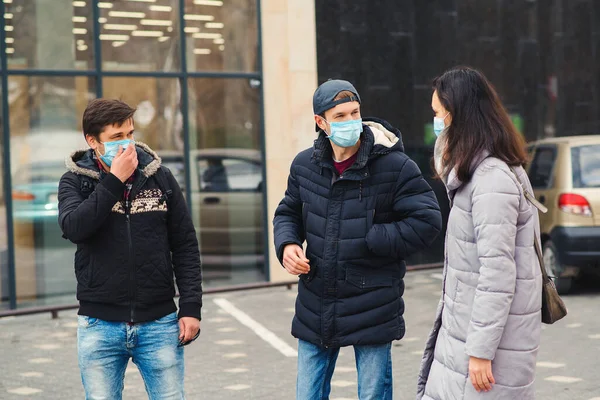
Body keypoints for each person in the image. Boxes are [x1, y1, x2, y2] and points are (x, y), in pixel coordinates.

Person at [273, 79, 442, 400]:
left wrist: (373, 237)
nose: (351, 122)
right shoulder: (304, 165)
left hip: (373, 303)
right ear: (320, 123)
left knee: (373, 395)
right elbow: (287, 213)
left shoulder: (395, 166)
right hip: (316, 302)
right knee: (307, 394)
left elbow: (427, 221)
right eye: (340, 116)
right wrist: (288, 244)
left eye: (355, 113)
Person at [58, 99, 202, 400]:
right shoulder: (74, 182)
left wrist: (191, 308)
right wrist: (114, 180)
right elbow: (73, 228)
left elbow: (185, 244)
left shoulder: (159, 177)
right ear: (92, 141)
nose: (127, 145)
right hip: (99, 326)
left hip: (159, 324)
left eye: (130, 134)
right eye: (116, 138)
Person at [416, 67, 543, 400]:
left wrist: (481, 351)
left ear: (460, 117)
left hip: (487, 345)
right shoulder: (477, 174)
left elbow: (497, 273)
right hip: (467, 332)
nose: (436, 125)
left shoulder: (491, 181)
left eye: (438, 115)